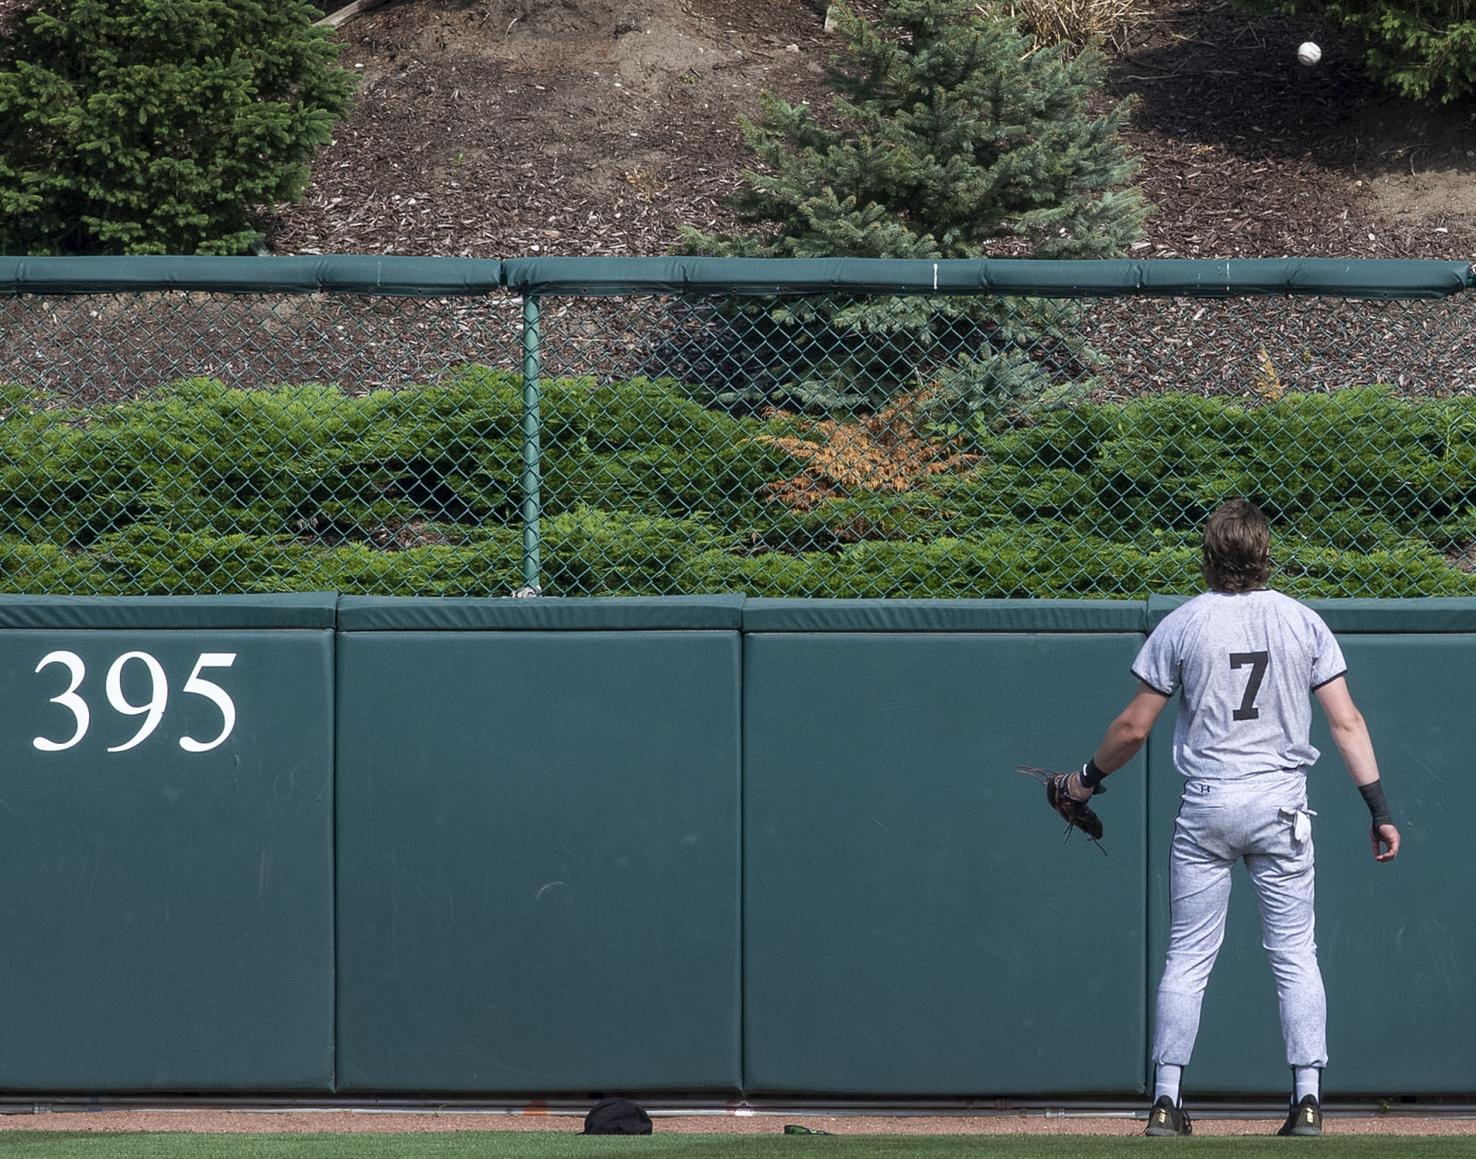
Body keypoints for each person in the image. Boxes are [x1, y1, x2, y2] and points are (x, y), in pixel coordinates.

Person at [1059, 499, 1400, 1138]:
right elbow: (1346, 720)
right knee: (1296, 954)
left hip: (1211, 801)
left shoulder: (1184, 623)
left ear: (1209, 556)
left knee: (1188, 956)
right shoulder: (1303, 621)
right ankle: (1306, 1102)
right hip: (1281, 804)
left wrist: (1086, 781)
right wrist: (1378, 808)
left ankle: (1164, 1101)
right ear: (1266, 554)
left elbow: (1134, 728)